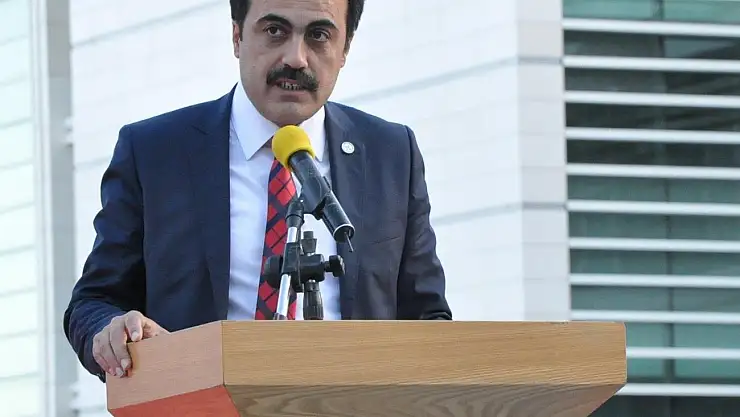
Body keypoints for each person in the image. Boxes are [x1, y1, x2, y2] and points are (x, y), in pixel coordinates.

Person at [63, 0, 451, 383]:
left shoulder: (391, 154)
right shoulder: (155, 152)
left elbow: (427, 317)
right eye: (275, 31)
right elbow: (94, 303)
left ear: (345, 48)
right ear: (237, 36)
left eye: (319, 35)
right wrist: (113, 330)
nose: (296, 58)